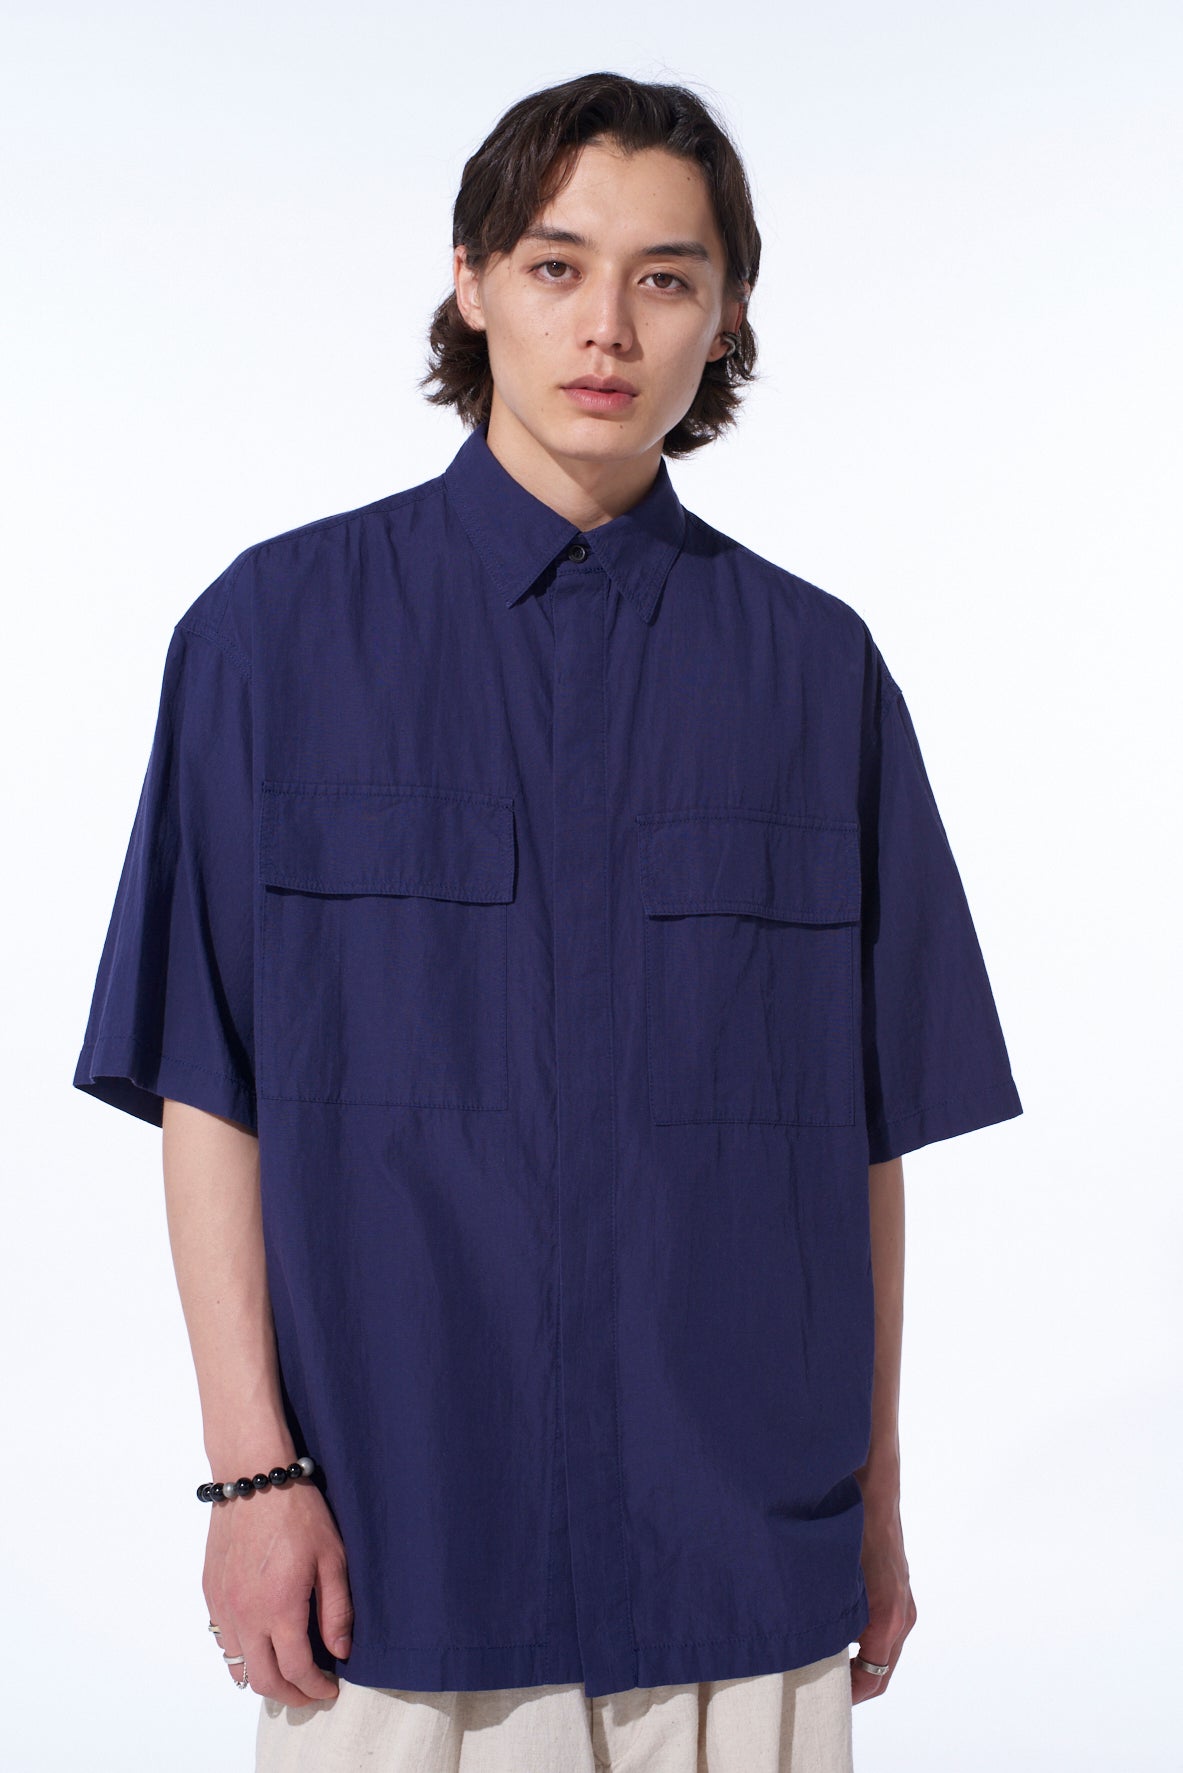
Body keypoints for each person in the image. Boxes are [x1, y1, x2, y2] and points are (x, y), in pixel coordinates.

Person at [72, 71, 1023, 1772]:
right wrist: (250, 1475)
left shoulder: (819, 677)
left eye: (666, 276)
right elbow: (208, 1082)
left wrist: (876, 1497)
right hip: (396, 1568)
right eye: (556, 264)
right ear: (472, 281)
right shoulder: (270, 639)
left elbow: (864, 1140)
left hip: (743, 1567)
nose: (608, 327)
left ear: (730, 311)